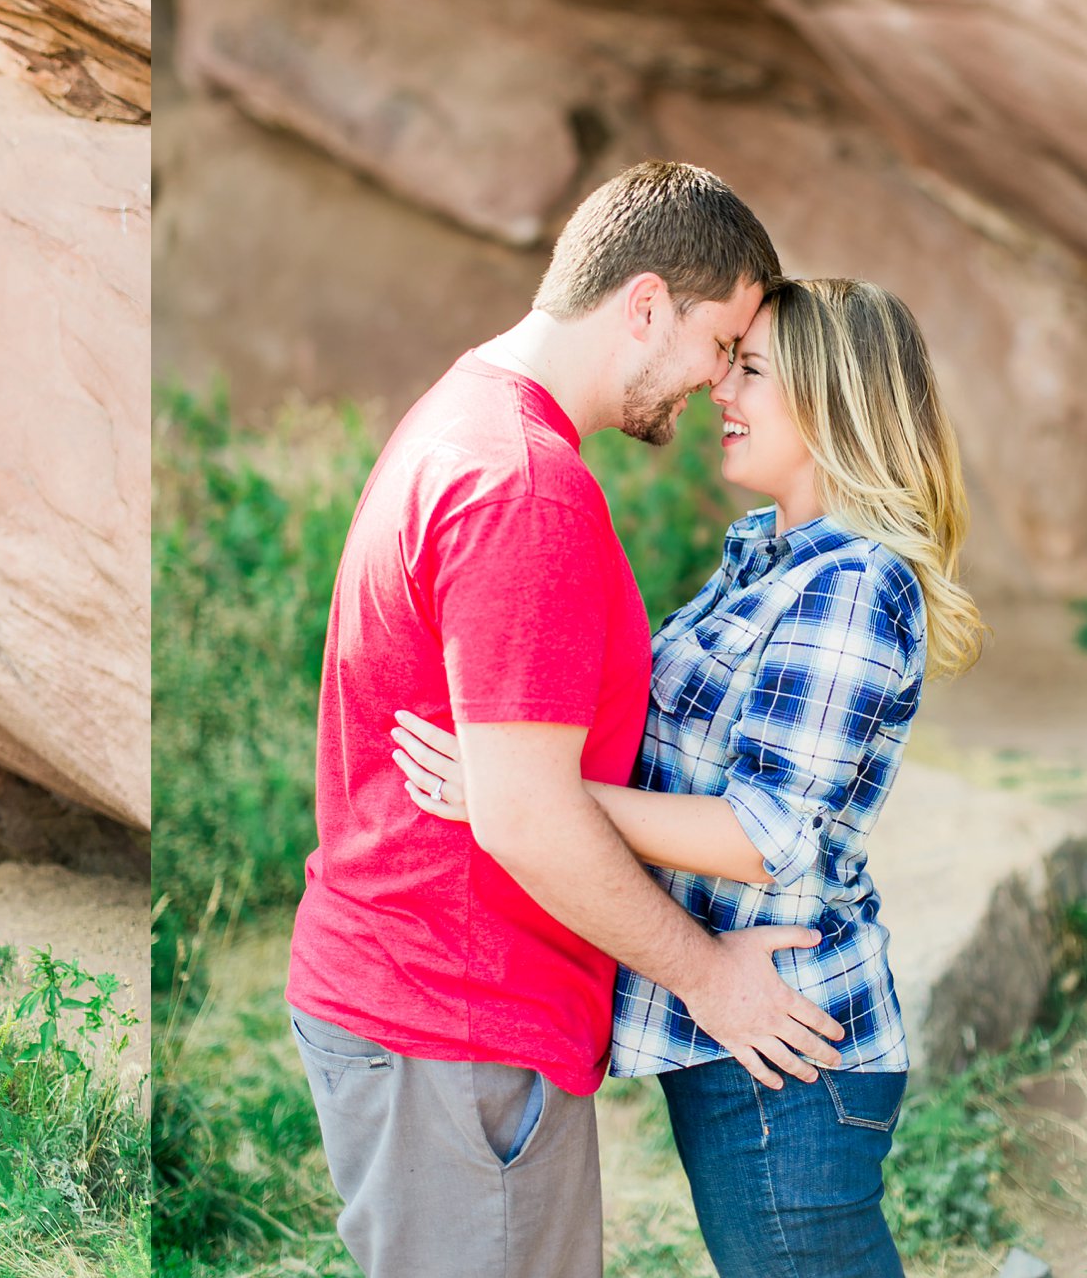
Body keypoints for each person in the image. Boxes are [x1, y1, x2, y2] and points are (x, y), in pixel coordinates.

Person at [283, 161, 848, 1278]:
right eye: (717, 344)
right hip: (453, 1029)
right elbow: (526, 819)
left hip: (433, 1018)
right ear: (643, 304)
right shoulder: (523, 488)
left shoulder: (465, 412)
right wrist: (708, 976)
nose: (716, 383)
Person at [393, 277, 982, 1277]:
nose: (720, 389)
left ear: (831, 398)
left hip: (785, 1043)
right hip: (737, 1033)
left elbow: (761, 831)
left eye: (750, 370)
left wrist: (524, 797)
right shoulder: (766, 556)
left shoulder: (852, 582)